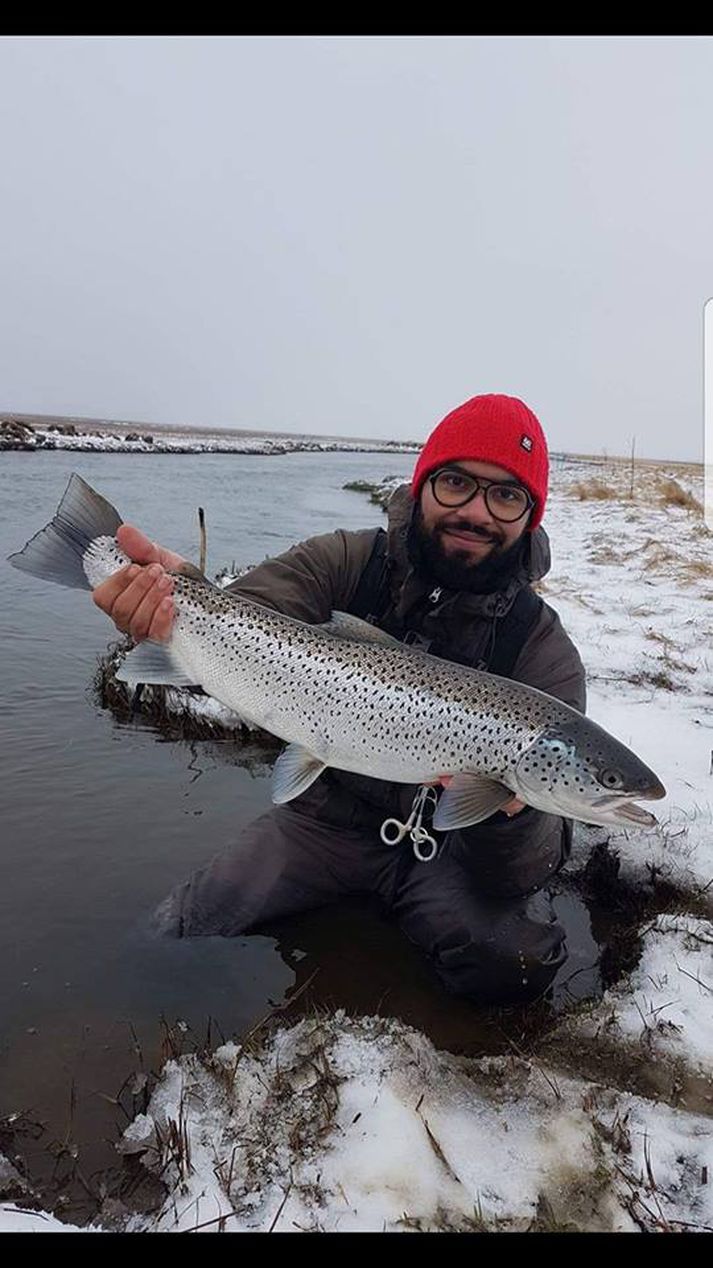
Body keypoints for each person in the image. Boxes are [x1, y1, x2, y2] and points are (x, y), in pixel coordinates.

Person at [93, 394, 586, 1005]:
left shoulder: (542, 649)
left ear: (530, 515)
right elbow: (247, 616)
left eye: (506, 495)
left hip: (451, 857)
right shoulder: (349, 561)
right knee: (179, 930)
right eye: (456, 482)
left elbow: (527, 870)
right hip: (322, 825)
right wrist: (176, 599)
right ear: (423, 484)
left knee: (515, 967)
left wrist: (518, 816)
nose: (477, 511)